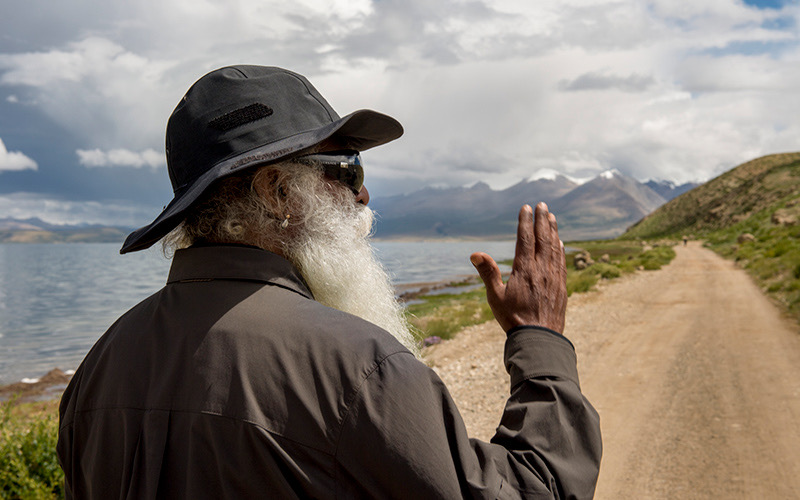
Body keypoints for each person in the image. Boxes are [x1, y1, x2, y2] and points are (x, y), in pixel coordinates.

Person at [57, 65, 602, 499]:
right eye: (348, 172)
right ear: (276, 191)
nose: (362, 196)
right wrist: (539, 340)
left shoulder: (98, 368)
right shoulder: (361, 369)